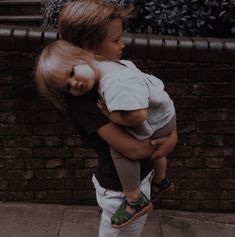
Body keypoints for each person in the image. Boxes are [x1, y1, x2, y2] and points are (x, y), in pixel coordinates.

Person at [36, 0, 177, 236]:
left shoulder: (107, 72)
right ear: (90, 46)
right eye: (115, 40)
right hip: (121, 190)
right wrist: (168, 141)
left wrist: (172, 134)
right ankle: (137, 201)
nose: (122, 44)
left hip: (137, 176)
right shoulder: (84, 98)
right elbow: (131, 150)